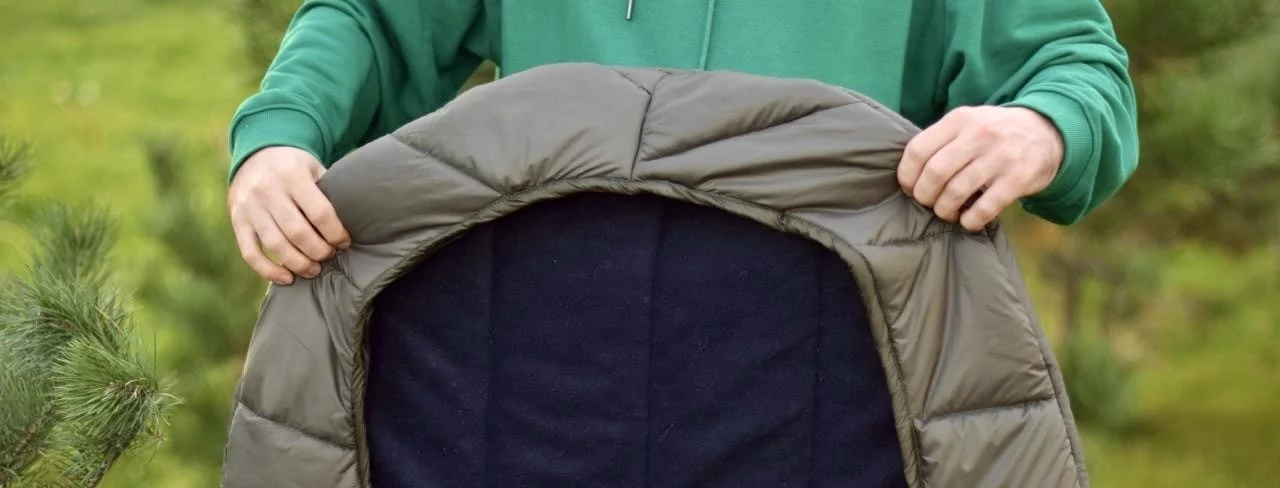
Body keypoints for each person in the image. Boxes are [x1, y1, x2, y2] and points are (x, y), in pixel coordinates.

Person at [226, 0, 1138, 285]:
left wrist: (1040, 127)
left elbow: (1076, 67)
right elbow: (374, 20)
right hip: (553, 361)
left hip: (834, 371)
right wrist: (280, 136)